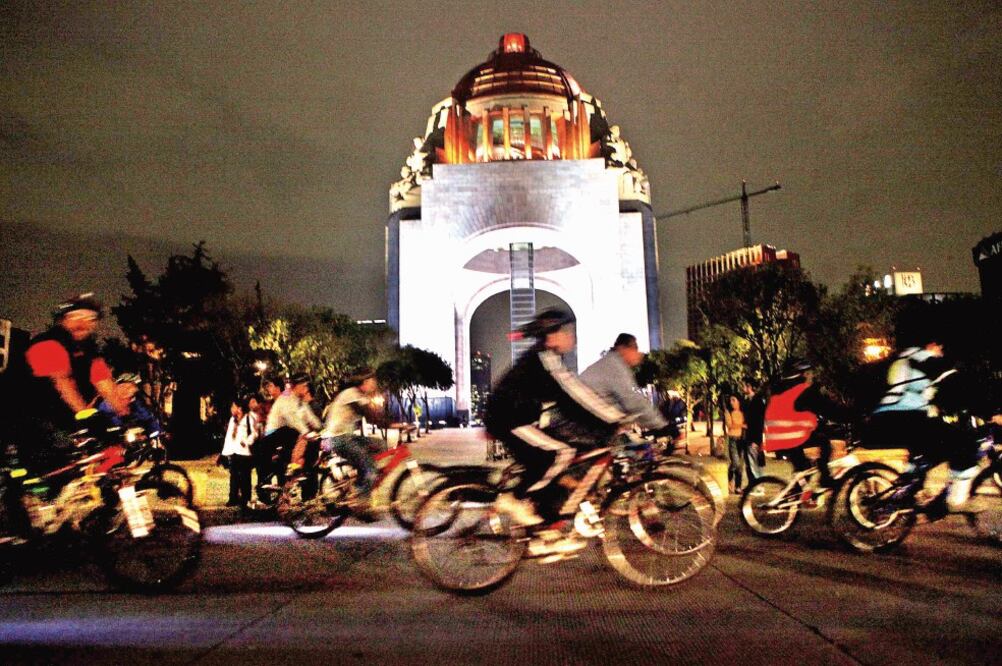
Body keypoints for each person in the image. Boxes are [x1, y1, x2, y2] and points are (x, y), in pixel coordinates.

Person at [485, 308, 625, 533]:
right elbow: (574, 393)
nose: (572, 337)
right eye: (567, 332)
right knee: (561, 453)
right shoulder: (545, 359)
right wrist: (613, 418)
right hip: (509, 419)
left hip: (523, 419)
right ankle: (514, 498)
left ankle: (546, 526)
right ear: (551, 336)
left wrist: (603, 420)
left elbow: (569, 400)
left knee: (563, 456)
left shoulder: (546, 357)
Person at [866, 335, 988, 513]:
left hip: (887, 418)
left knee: (929, 454)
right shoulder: (924, 358)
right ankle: (956, 501)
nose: (941, 352)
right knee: (964, 443)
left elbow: (938, 394)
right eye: (940, 347)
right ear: (931, 344)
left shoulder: (905, 357)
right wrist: (989, 412)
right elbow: (956, 385)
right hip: (904, 417)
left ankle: (905, 494)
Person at [11, 293, 128, 477]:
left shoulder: (90, 352)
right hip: (24, 414)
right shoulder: (48, 343)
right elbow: (63, 384)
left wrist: (128, 419)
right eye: (76, 317)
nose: (83, 323)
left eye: (90, 319)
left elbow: (107, 386)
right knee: (60, 457)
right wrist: (89, 417)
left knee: (101, 456)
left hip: (61, 417)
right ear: (63, 319)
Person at [764, 361, 843, 489]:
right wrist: (850, 418)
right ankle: (825, 478)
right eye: (811, 374)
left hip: (780, 435)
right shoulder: (804, 390)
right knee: (824, 443)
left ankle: (796, 494)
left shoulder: (790, 389)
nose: (813, 376)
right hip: (787, 436)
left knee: (804, 468)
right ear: (805, 374)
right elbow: (827, 409)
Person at [579, 333, 672, 439]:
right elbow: (633, 401)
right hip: (586, 428)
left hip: (588, 424)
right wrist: (662, 426)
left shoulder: (608, 363)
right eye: (635, 348)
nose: (638, 354)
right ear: (623, 349)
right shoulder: (614, 366)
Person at [320, 369, 387, 500]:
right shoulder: (352, 394)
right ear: (365, 382)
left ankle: (361, 475)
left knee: (381, 445)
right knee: (370, 468)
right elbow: (370, 416)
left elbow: (375, 415)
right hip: (338, 438)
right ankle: (360, 500)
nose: (374, 384)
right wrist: (393, 424)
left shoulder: (360, 395)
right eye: (372, 381)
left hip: (346, 436)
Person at [255, 372, 316, 501]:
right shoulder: (287, 397)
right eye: (304, 386)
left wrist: (321, 428)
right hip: (274, 434)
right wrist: (306, 432)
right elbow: (291, 418)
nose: (306, 389)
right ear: (296, 386)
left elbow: (309, 416)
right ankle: (293, 472)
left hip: (285, 434)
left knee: (306, 448)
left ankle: (297, 477)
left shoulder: (300, 400)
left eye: (307, 386)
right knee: (300, 439)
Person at [222, 396, 257, 510]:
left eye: (233, 406)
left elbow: (254, 433)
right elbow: (228, 437)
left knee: (245, 476)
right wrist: (225, 452)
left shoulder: (249, 418)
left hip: (245, 452)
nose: (231, 409)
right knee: (234, 476)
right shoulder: (232, 420)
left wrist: (246, 441)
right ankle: (233, 498)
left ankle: (245, 499)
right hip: (234, 451)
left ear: (239, 408)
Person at [97, 373, 161, 434]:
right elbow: (106, 419)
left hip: (131, 436)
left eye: (134, 386)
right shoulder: (108, 404)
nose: (133, 389)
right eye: (128, 386)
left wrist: (156, 430)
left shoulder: (135, 402)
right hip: (114, 436)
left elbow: (147, 417)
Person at [741, 382, 766, 483]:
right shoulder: (747, 401)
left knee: (756, 463)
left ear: (749, 387)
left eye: (744, 386)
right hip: (748, 437)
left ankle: (759, 485)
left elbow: (760, 422)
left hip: (754, 437)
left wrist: (757, 440)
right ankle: (754, 484)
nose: (742, 388)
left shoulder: (758, 401)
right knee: (751, 464)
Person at [723, 394, 747, 493]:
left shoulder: (743, 412)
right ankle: (729, 481)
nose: (731, 402)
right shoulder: (728, 412)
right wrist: (742, 425)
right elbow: (729, 425)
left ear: (739, 401)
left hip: (742, 439)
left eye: (733, 400)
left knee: (739, 465)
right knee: (736, 463)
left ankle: (738, 487)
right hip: (733, 439)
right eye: (730, 401)